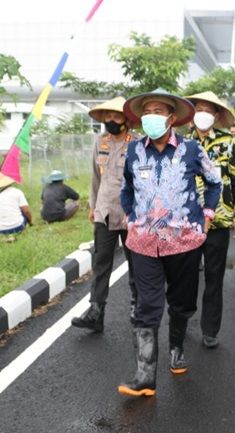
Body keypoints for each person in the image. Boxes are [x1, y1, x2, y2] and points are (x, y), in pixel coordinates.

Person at [117, 89, 222, 397]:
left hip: (184, 241)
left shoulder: (191, 150)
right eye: (147, 111)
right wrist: (130, 215)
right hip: (144, 241)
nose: (152, 115)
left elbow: (215, 182)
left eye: (159, 110)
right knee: (148, 305)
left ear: (172, 118)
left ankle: (177, 347)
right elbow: (127, 188)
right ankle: (145, 375)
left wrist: (207, 213)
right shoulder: (134, 150)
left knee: (182, 302)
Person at [72, 97, 138, 333]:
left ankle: (136, 306)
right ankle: (95, 312)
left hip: (131, 214)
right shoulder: (99, 142)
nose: (111, 120)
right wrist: (92, 206)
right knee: (101, 264)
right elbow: (94, 176)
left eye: (116, 116)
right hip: (104, 212)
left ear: (127, 120)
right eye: (108, 116)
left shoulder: (137, 145)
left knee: (136, 264)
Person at [186, 91, 235, 348]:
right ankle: (184, 315)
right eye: (198, 108)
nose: (202, 114)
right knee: (186, 275)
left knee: (214, 276)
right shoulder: (180, 142)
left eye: (208, 110)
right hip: (186, 221)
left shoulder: (228, 142)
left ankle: (210, 329)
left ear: (217, 115)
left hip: (219, 221)